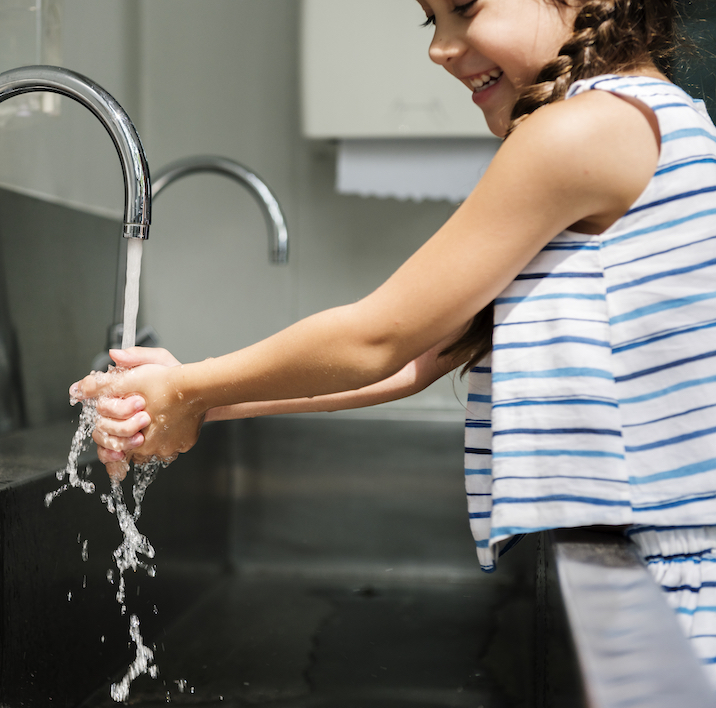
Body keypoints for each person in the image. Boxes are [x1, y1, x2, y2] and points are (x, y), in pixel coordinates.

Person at [73, 0, 716, 683]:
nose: (440, 47)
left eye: (464, 8)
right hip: (661, 571)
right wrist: (197, 403)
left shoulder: (585, 129)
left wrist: (187, 389)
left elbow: (379, 336)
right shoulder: (641, 120)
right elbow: (413, 360)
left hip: (677, 589)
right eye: (429, 20)